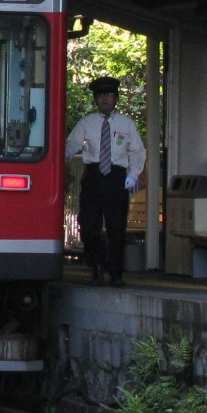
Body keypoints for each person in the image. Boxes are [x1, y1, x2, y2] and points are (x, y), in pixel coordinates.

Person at [65, 76, 145, 285]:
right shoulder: (87, 123)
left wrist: (132, 174)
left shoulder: (126, 124)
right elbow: (71, 144)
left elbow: (137, 151)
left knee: (116, 228)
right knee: (89, 226)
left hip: (117, 177)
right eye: (100, 96)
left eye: (109, 95)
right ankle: (97, 264)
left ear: (116, 98)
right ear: (95, 99)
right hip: (93, 176)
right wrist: (60, 156)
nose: (105, 99)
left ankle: (116, 273)